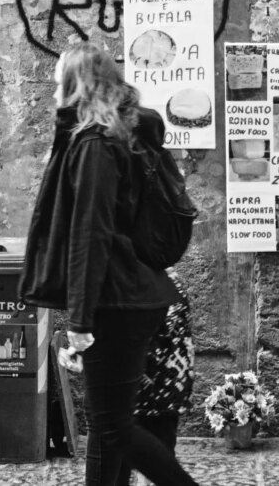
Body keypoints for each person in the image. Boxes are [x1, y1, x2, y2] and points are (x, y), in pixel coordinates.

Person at [17, 44, 198, 486]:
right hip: (129, 295)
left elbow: (89, 234)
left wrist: (79, 318)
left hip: (118, 300)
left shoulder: (97, 144)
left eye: (58, 75)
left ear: (76, 81)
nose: (52, 84)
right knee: (111, 424)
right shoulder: (110, 137)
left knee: (113, 426)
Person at [117, 267, 195, 486]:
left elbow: (156, 333)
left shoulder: (159, 283)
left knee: (152, 455)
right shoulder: (164, 279)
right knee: (153, 452)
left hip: (155, 388)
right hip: (162, 387)